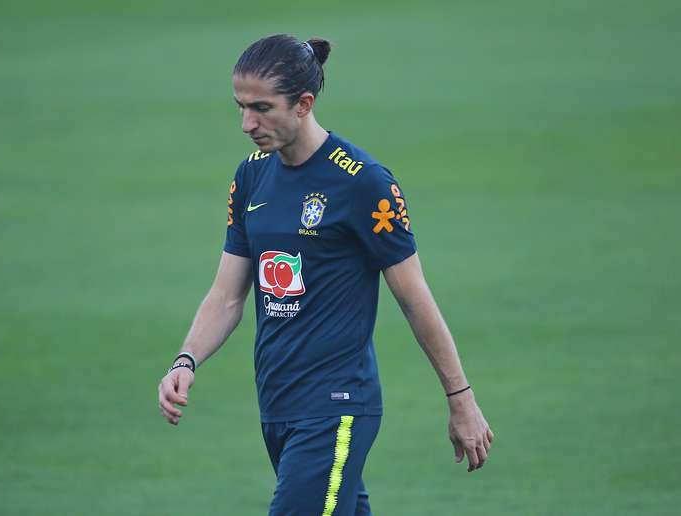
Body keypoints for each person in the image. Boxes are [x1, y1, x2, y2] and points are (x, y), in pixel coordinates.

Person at [158, 34, 493, 515]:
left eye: (261, 108)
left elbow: (415, 299)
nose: (247, 123)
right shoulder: (252, 176)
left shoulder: (363, 183)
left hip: (337, 407)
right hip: (277, 404)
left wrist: (460, 397)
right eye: (240, 107)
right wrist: (186, 360)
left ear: (304, 103)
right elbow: (228, 295)